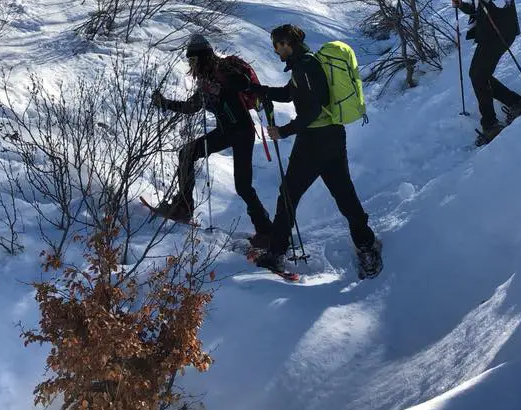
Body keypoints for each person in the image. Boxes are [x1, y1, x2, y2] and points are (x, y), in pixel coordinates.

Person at [250, 24, 382, 279]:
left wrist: (284, 131)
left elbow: (313, 109)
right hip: (330, 137)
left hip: (314, 141)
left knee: (288, 195)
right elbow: (291, 94)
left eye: (277, 45)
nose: (276, 51)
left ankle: (277, 251)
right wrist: (262, 91)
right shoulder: (305, 65)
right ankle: (366, 245)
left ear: (287, 43)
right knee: (344, 194)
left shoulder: (307, 66)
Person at [151, 34, 272, 239]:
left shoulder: (223, 70)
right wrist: (165, 103)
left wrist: (225, 84)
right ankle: (184, 206)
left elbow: (243, 83)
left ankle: (266, 231)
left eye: (192, 59)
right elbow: (192, 107)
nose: (190, 64)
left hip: (242, 131)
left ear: (201, 57)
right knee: (187, 153)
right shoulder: (206, 79)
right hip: (226, 131)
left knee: (242, 186)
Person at [452, 0, 521, 145]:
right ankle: (516, 103)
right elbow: (482, 8)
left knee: (478, 75)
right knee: (479, 75)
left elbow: (503, 2)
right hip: (488, 33)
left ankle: (491, 125)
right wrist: (462, 5)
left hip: (501, 32)